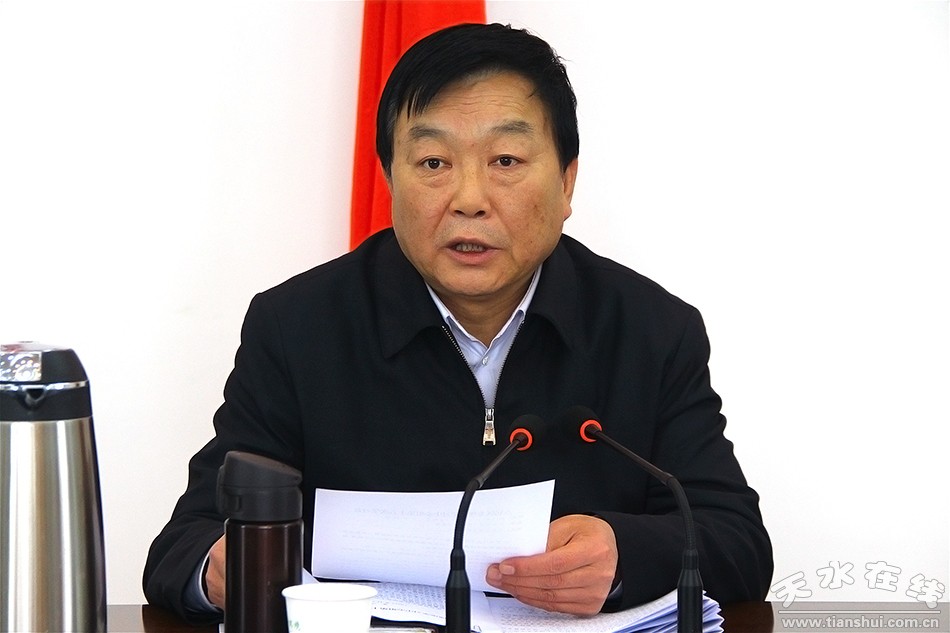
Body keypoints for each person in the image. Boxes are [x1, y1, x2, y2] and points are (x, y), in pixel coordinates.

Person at [143, 22, 772, 622]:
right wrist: (223, 568)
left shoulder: (651, 331)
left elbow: (737, 540)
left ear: (567, 181)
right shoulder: (297, 328)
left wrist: (623, 555)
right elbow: (185, 546)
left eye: (506, 160)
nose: (469, 199)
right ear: (390, 179)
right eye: (433, 163)